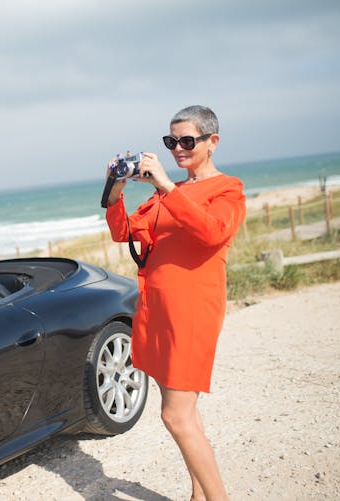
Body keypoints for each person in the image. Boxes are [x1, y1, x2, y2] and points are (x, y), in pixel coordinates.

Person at [104, 105, 245, 501]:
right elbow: (125, 232)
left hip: (191, 311)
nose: (178, 149)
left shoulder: (226, 189)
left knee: (175, 416)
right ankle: (199, 496)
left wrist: (167, 186)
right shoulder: (168, 192)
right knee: (186, 415)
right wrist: (114, 190)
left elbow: (211, 232)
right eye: (172, 142)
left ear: (212, 142)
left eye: (187, 141)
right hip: (158, 310)